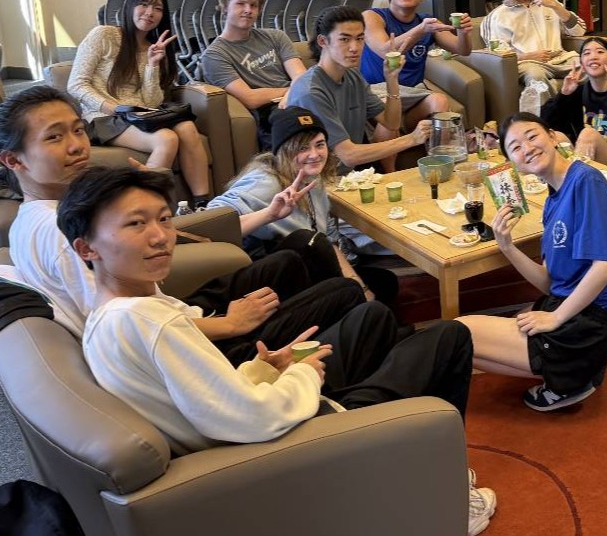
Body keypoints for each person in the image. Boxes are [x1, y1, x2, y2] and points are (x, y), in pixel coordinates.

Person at [58, 166, 494, 534]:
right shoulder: (149, 322)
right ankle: (450, 498)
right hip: (288, 445)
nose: (160, 237)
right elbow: (254, 419)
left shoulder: (112, 315)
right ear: (86, 247)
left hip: (259, 427)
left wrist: (265, 370)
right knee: (451, 338)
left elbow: (204, 398)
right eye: (136, 224)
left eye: (165, 219)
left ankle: (407, 460)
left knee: (368, 317)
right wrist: (302, 375)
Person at [0, 86, 366, 360]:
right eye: (54, 137)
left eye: (78, 130)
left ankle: (329, 337)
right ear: (13, 160)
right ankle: (328, 347)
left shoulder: (45, 215)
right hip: (189, 342)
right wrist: (229, 324)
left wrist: (270, 214)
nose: (76, 146)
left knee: (294, 253)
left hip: (179, 311)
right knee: (346, 292)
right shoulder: (58, 231)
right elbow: (121, 323)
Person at [456, 113, 607, 412]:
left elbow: (605, 267)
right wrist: (507, 247)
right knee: (467, 347)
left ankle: (572, 375)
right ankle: (573, 374)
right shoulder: (552, 201)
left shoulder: (586, 180)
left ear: (552, 136)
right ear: (513, 162)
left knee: (459, 333)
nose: (528, 148)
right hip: (572, 308)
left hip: (591, 323)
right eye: (516, 146)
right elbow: (551, 282)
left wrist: (557, 317)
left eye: (532, 136)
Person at [206, 106, 397, 301]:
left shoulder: (312, 178)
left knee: (383, 282)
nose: (314, 154)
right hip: (274, 282)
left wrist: (361, 289)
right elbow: (210, 224)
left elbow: (325, 243)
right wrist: (269, 215)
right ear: (284, 151)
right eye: (303, 148)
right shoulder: (266, 181)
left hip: (308, 265)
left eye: (320, 144)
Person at [67, 0, 211, 205]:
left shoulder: (155, 48)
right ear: (130, 7)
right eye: (143, 4)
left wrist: (153, 65)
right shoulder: (104, 35)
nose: (149, 12)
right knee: (167, 138)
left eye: (157, 8)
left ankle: (204, 205)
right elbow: (76, 84)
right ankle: (148, 207)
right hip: (103, 117)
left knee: (188, 128)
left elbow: (151, 101)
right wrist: (112, 107)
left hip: (142, 114)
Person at [287, 5, 431, 172]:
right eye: (345, 39)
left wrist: (392, 80)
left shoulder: (352, 76)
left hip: (350, 176)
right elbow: (348, 155)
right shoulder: (311, 91)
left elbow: (391, 123)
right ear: (323, 41)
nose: (354, 48)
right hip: (318, 182)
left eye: (360, 39)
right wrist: (411, 139)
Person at [359, 0, 473, 129]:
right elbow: (386, 52)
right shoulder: (372, 16)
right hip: (378, 92)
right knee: (390, 109)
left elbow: (462, 50)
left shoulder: (427, 21)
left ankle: (438, 153)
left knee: (439, 101)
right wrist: (421, 30)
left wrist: (463, 32)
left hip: (413, 92)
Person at [200, 0, 308, 150]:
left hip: (299, 98)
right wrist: (291, 91)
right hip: (269, 111)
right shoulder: (214, 55)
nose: (248, 10)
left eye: (253, 5)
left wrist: (295, 93)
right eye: (240, 4)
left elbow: (302, 77)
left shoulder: (276, 36)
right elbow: (250, 98)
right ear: (225, 7)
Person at [479, 0, 586, 94]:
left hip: (560, 59)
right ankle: (547, 114)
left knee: (593, 66)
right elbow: (496, 57)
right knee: (536, 77)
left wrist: (555, 6)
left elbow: (580, 30)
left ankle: (595, 115)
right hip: (528, 64)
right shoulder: (498, 15)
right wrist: (528, 56)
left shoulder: (550, 4)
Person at [540, 36, 607, 163]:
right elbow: (544, 123)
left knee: (588, 133)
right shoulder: (577, 93)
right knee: (554, 136)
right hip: (582, 155)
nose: (593, 57)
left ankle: (577, 179)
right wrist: (563, 95)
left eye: (600, 52)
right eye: (587, 53)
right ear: (582, 65)